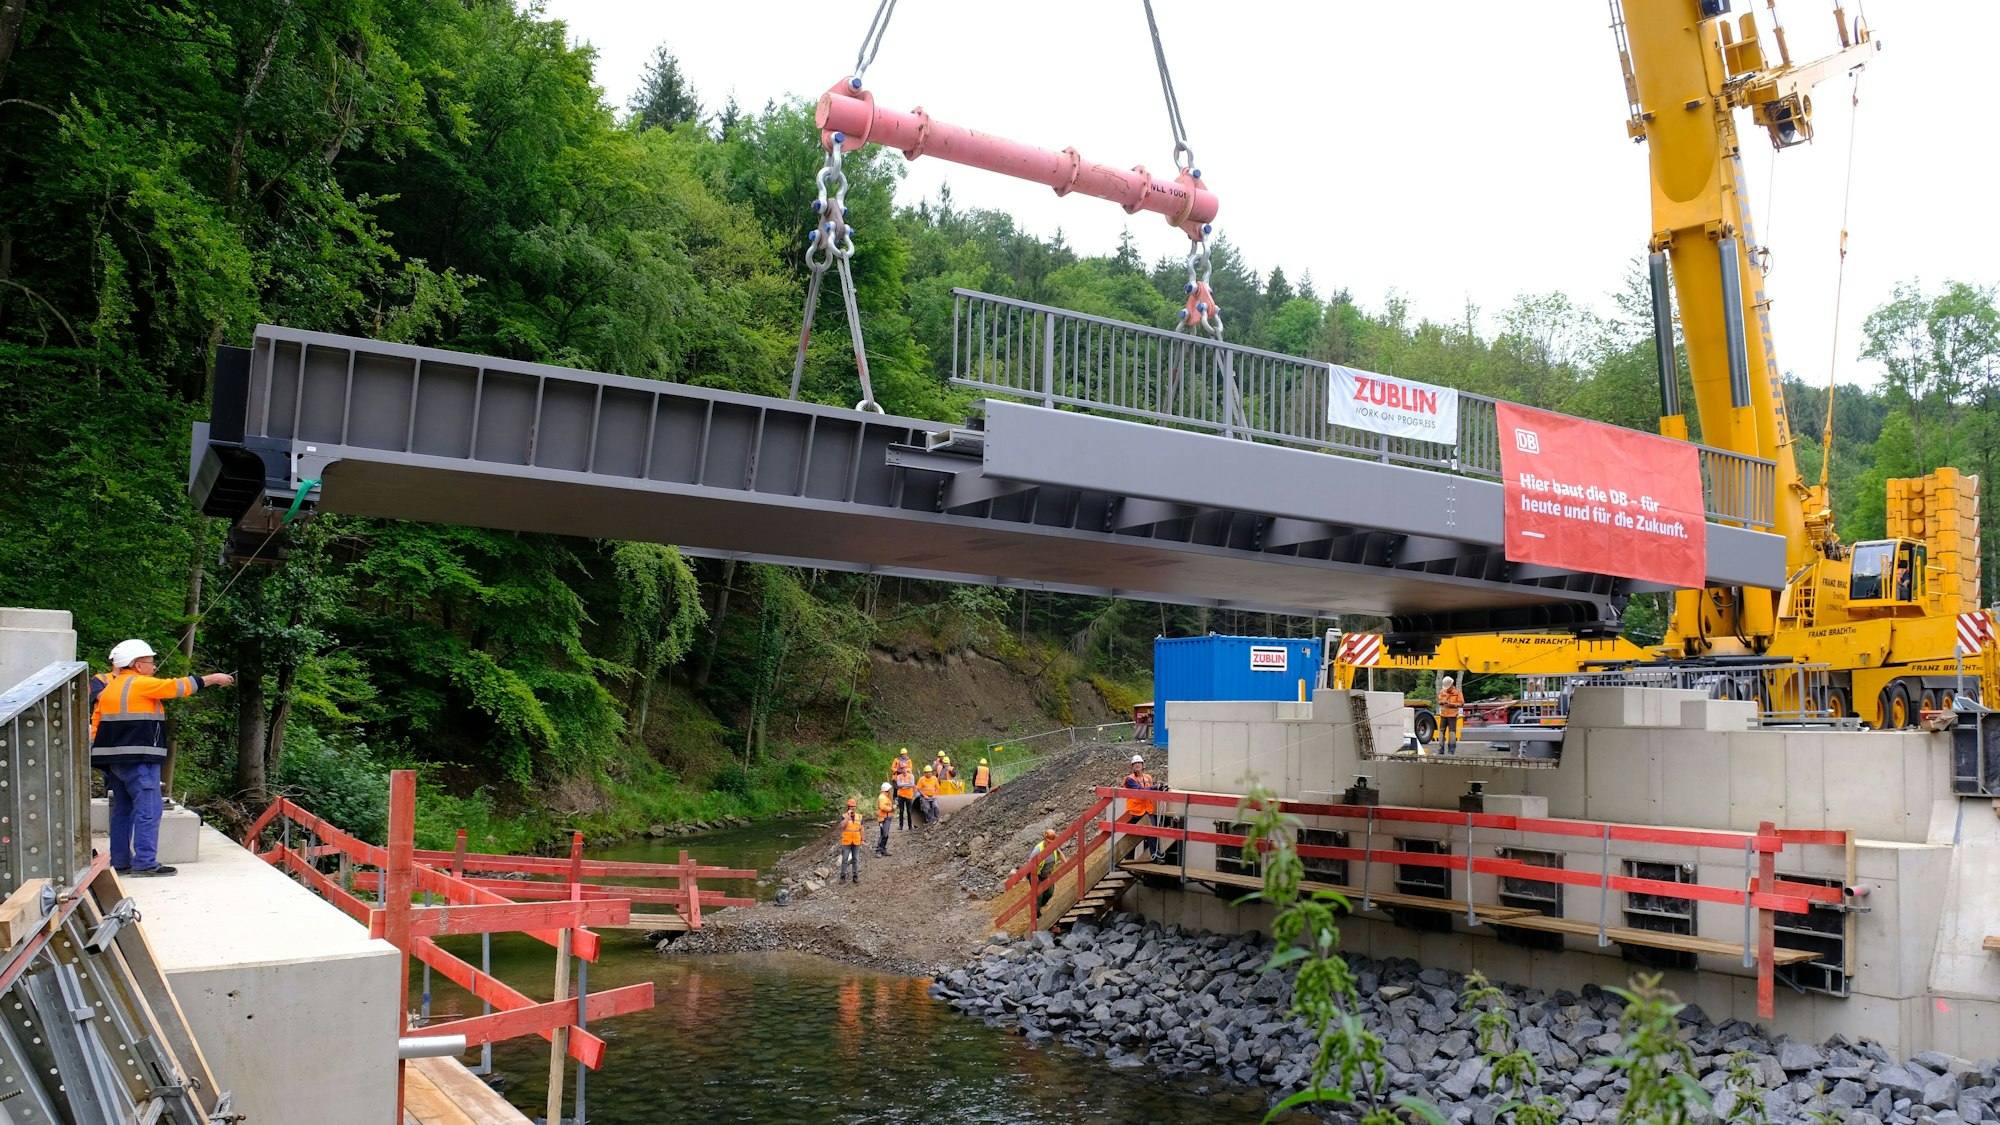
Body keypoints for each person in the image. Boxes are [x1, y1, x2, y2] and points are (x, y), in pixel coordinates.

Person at [92, 639, 233, 877]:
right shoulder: (140, 684)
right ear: (137, 665)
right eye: (150, 662)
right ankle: (145, 863)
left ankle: (121, 862)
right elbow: (177, 687)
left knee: (122, 811)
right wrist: (213, 678)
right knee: (149, 810)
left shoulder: (110, 689)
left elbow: (97, 724)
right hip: (139, 759)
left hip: (115, 761)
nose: (154, 666)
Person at [1122, 754, 1158, 861]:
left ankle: (1155, 856)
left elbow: (1152, 787)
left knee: (1153, 833)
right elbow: (1140, 791)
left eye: (1139, 763)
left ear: (1143, 765)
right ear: (1132, 767)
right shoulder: (1130, 779)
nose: (1137, 765)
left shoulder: (1148, 777)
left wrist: (1160, 787)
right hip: (1135, 811)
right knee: (1131, 837)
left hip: (1148, 809)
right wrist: (1154, 787)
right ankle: (1128, 860)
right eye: (1135, 763)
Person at [1027, 828, 1064, 917]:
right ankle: (1036, 914)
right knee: (1038, 895)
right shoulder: (1038, 850)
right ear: (1045, 840)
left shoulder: (1054, 846)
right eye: (1049, 842)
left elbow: (1060, 854)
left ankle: (1038, 906)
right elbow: (1030, 864)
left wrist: (1067, 863)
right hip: (1036, 874)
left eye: (1052, 842)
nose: (1050, 844)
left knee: (1049, 893)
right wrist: (1035, 878)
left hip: (1046, 875)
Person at [837, 798, 864, 884]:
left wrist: (863, 840)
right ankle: (842, 876)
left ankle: (855, 876)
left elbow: (862, 829)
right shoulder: (844, 816)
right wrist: (848, 817)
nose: (853, 808)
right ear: (848, 807)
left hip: (856, 841)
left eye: (854, 806)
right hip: (847, 841)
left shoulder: (859, 816)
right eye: (851, 806)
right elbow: (842, 825)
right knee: (844, 859)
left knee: (855, 859)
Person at [1437, 675, 1465, 755]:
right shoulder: (1442, 691)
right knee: (1441, 732)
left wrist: (1451, 704)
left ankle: (1451, 750)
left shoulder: (1457, 693)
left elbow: (1461, 703)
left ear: (1452, 685)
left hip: (1452, 715)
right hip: (1443, 715)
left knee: (1452, 732)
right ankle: (1440, 749)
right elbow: (1439, 700)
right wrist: (1442, 702)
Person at [893, 751, 917, 830]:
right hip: (901, 795)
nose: (904, 770)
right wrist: (907, 785)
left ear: (907, 768)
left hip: (909, 795)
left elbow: (912, 784)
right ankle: (901, 826)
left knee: (909, 811)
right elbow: (898, 784)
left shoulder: (911, 776)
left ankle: (910, 826)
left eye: (905, 768)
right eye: (902, 768)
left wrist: (904, 786)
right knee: (901, 811)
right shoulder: (899, 776)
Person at [875, 782, 895, 857]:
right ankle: (879, 850)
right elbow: (883, 807)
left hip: (887, 817)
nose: (891, 790)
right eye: (890, 789)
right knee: (884, 834)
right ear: (886, 789)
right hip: (883, 818)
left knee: (885, 835)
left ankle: (883, 849)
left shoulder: (886, 796)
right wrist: (892, 809)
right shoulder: (882, 797)